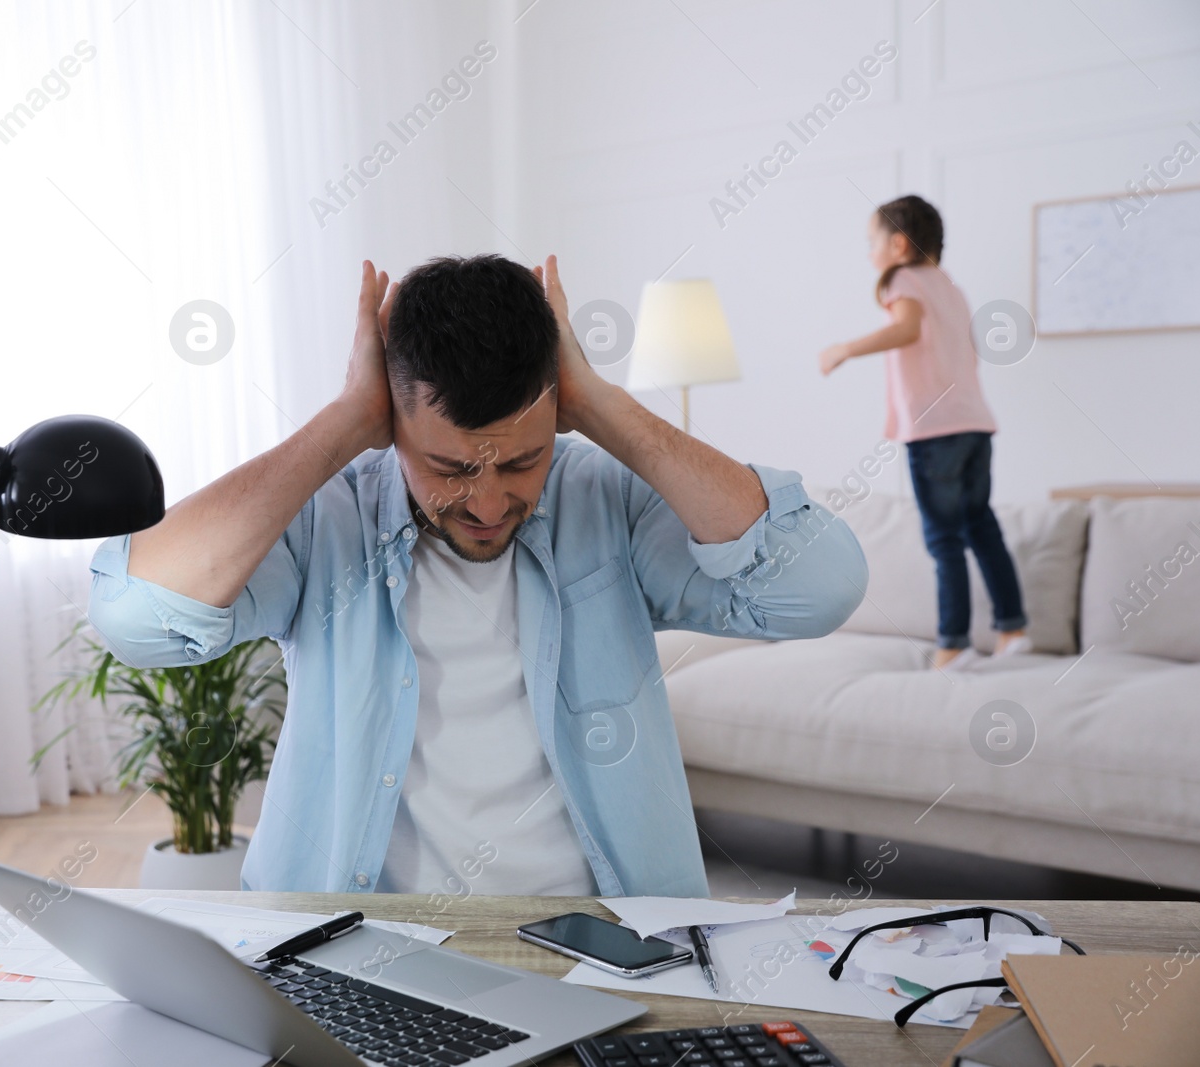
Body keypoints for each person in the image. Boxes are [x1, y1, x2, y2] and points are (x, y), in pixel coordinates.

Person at [90, 254, 866, 896]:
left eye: (524, 460)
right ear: (392, 423)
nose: (491, 502)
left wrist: (599, 404)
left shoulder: (604, 502)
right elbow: (135, 616)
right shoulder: (332, 525)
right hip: (357, 947)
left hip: (605, 947)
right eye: (451, 467)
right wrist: (342, 422)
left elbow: (820, 586)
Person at [819, 194, 1030, 669]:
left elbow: (906, 331)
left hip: (936, 431)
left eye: (870, 241)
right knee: (981, 527)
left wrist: (844, 349)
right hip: (975, 423)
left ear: (897, 245)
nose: (868, 252)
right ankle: (1013, 630)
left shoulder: (902, 279)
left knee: (943, 540)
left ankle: (952, 646)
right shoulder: (950, 286)